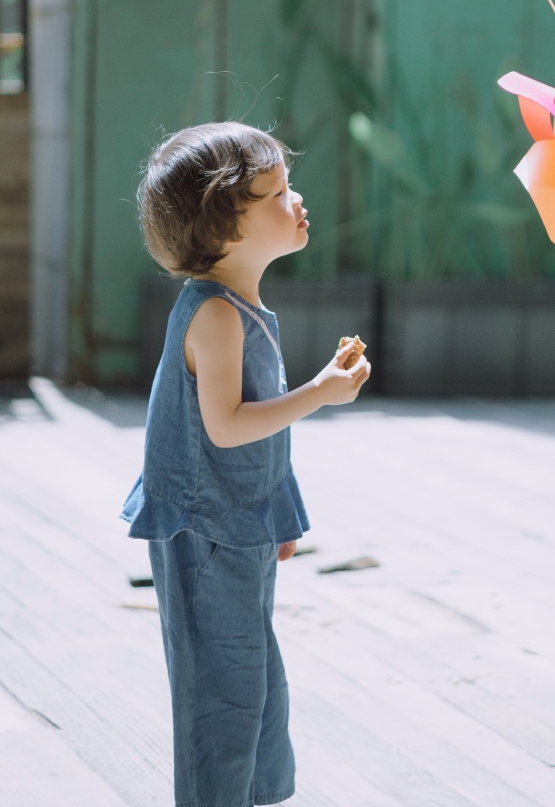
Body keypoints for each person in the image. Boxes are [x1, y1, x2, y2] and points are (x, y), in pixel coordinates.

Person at [120, 121, 371, 807]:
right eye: (278, 192)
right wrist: (320, 394)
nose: (298, 200)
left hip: (238, 524)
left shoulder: (243, 307)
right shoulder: (217, 317)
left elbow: (252, 432)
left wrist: (274, 512)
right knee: (222, 688)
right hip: (205, 530)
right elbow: (227, 428)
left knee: (254, 679)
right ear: (225, 224)